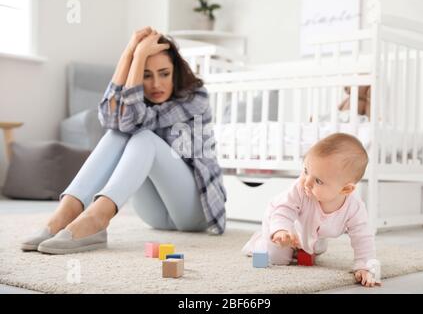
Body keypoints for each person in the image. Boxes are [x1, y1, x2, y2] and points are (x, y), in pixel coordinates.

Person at [21, 27, 226, 254]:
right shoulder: (139, 96)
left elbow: (133, 122)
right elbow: (110, 119)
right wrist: (129, 55)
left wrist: (138, 57)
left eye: (164, 73)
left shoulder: (195, 97)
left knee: (141, 135)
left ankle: (97, 218)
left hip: (195, 210)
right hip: (155, 215)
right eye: (146, 75)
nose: (156, 84)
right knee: (116, 132)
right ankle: (66, 212)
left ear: (175, 72)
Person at [242, 133, 381, 287]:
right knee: (278, 258)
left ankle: (298, 247)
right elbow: (284, 209)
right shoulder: (301, 189)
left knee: (315, 248)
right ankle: (260, 240)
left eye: (318, 181)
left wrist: (365, 267)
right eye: (306, 170)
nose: (306, 182)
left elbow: (363, 237)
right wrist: (280, 230)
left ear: (345, 189)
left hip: (310, 230)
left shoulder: (354, 208)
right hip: (280, 217)